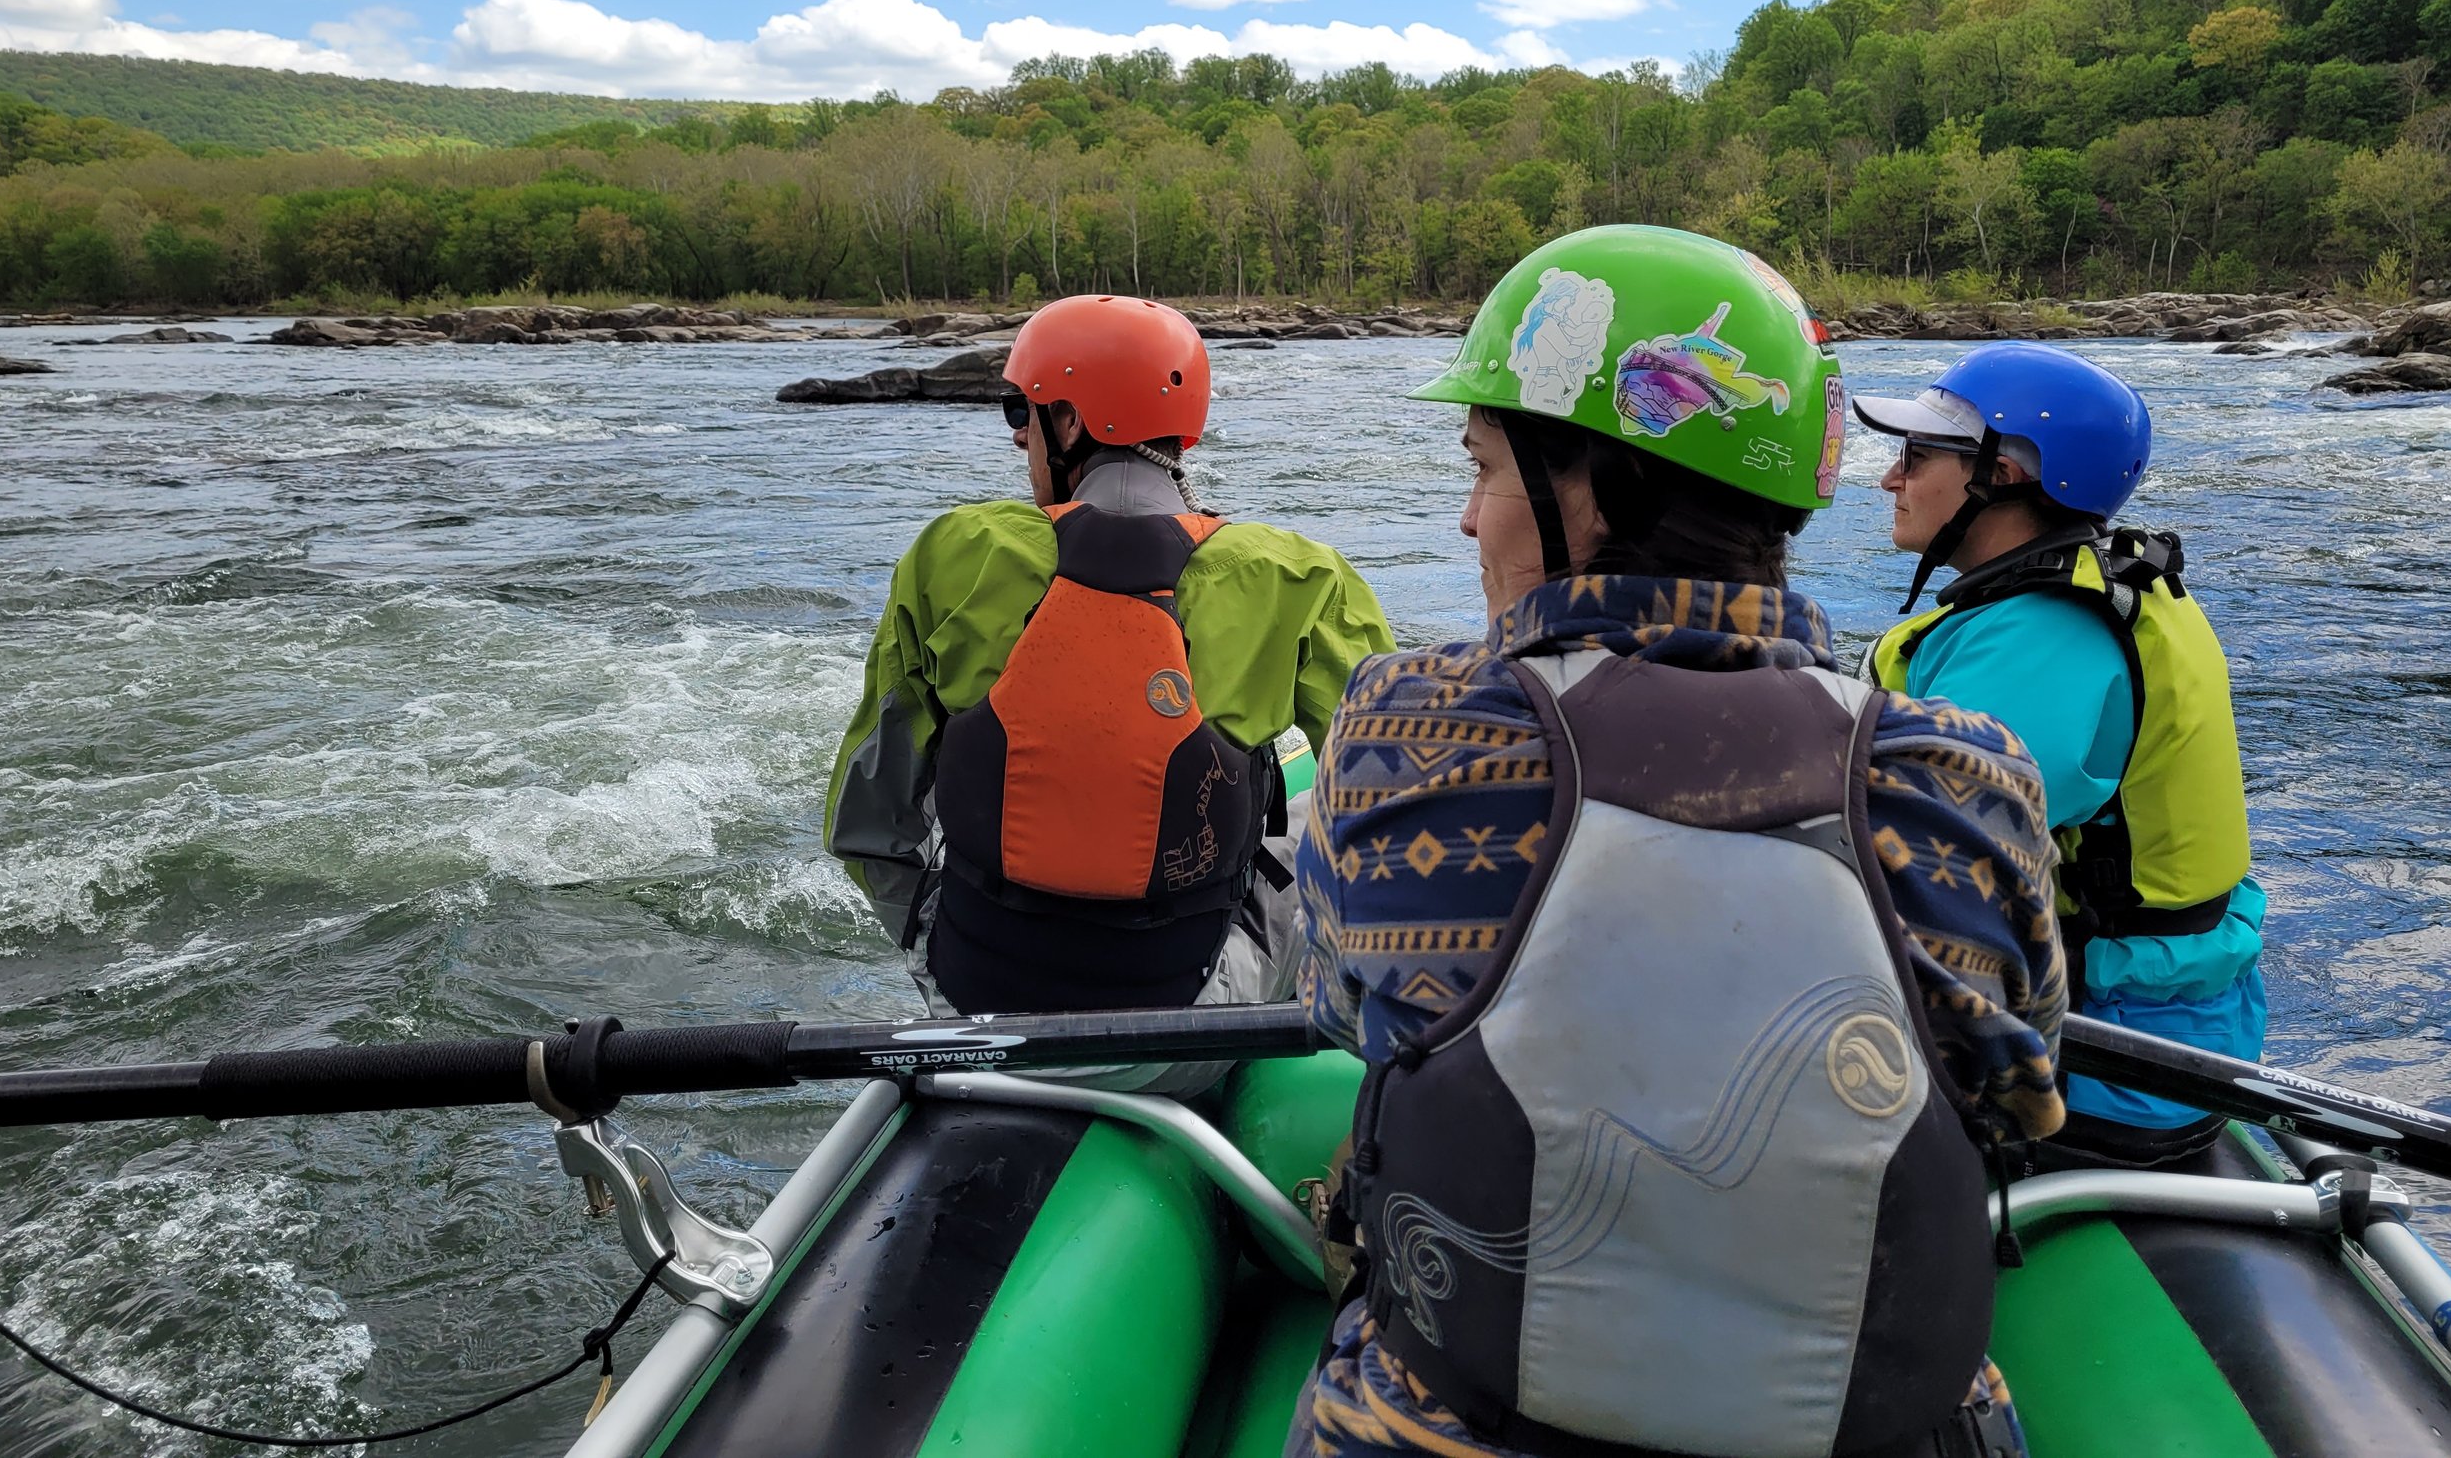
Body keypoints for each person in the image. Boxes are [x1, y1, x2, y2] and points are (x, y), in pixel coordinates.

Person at [1293, 228, 2067, 1458]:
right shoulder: (1965, 772)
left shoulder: (1399, 726)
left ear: (1589, 484)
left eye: (1484, 468)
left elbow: (1347, 1017)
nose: (1462, 519)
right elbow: (2017, 1091)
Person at [824, 292, 1394, 1035]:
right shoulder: (1301, 576)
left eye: (1020, 413)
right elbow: (1393, 805)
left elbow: (865, 820)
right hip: (1186, 1026)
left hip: (974, 1008)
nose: (1018, 437)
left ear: (1069, 422)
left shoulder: (952, 553)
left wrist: (933, 941)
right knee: (1302, 782)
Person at [1853, 344, 2263, 1164]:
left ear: (2001, 474)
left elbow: (1923, 864)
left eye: (1917, 456)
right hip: (2171, 1025)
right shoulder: (2096, 592)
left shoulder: (2042, 638)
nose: (1890, 479)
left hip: (2104, 1063)